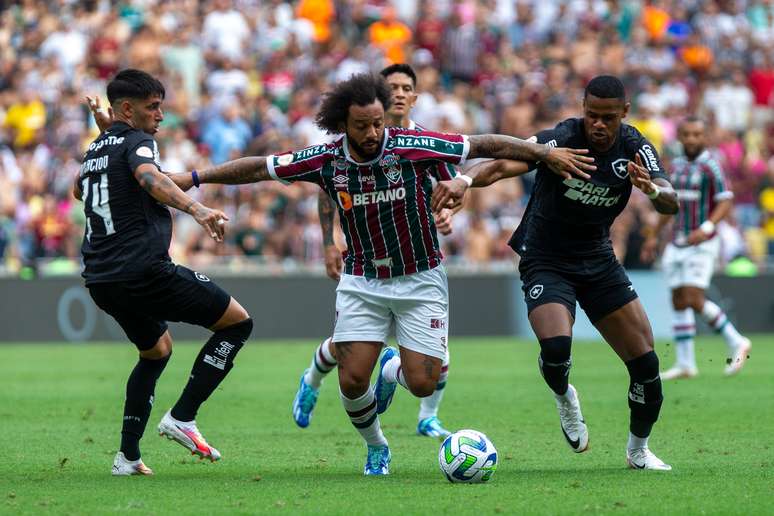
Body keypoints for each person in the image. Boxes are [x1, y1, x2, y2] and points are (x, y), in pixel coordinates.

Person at [167, 72, 594, 475]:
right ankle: (376, 446)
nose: (372, 133)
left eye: (376, 123)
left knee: (424, 385)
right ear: (343, 124)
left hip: (421, 276)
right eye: (361, 126)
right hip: (362, 279)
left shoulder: (413, 144)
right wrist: (194, 177)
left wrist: (542, 152)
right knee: (353, 380)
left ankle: (392, 370)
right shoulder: (324, 159)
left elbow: (484, 144)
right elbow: (261, 167)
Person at [433, 75, 679, 470]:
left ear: (624, 114)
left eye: (608, 118)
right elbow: (500, 165)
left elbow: (670, 202)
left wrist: (649, 189)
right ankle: (564, 395)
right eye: (592, 115)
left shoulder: (635, 146)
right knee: (556, 349)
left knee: (646, 365)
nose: (599, 124)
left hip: (598, 260)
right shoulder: (560, 137)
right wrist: (463, 180)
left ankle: (638, 450)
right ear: (583, 110)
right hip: (545, 258)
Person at [79, 69, 253, 476]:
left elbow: (79, 189)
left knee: (156, 352)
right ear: (127, 109)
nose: (160, 115)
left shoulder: (94, 151)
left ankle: (127, 457)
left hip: (102, 280)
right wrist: (198, 208)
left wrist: (108, 137)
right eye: (152, 107)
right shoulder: (138, 142)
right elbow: (148, 177)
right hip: (143, 271)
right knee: (237, 324)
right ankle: (183, 416)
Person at [292, 63, 458, 440]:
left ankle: (425, 413)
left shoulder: (424, 142)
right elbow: (327, 184)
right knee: (349, 351)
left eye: (405, 87)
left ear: (414, 97)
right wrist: (329, 240)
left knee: (432, 362)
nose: (398, 93)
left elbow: (451, 187)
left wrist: (445, 211)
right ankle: (313, 380)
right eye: (392, 86)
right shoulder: (353, 141)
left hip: (416, 261)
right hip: (367, 264)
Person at [641, 117, 751, 379]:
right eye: (687, 134)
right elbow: (669, 205)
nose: (691, 139)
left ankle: (737, 340)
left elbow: (725, 201)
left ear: (705, 138)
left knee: (692, 297)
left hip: (702, 242)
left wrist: (707, 228)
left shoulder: (711, 166)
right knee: (678, 299)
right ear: (680, 136)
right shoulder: (676, 167)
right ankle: (686, 363)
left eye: (696, 134)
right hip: (677, 240)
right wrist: (653, 235)